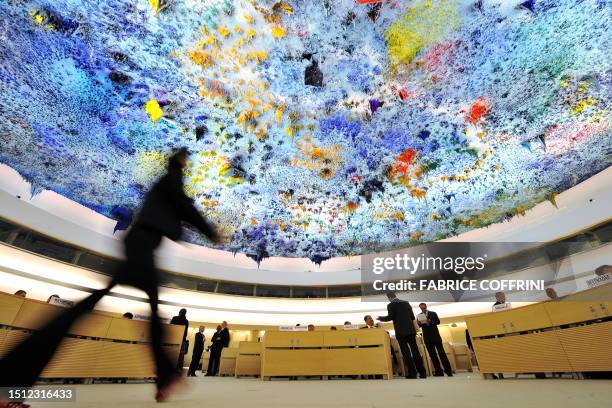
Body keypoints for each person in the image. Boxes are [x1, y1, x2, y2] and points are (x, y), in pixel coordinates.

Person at [0, 147, 222, 405]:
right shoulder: (171, 177)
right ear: (179, 161)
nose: (186, 163)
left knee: (113, 306)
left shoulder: (165, 182)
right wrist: (209, 231)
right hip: (142, 244)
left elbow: (178, 205)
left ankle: (10, 381)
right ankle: (8, 383)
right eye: (184, 160)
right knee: (144, 309)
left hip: (140, 244)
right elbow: (182, 203)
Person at [377, 292, 426, 379]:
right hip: (411, 331)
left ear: (389, 297)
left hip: (401, 333)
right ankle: (422, 373)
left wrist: (380, 318)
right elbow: (412, 317)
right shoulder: (406, 303)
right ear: (395, 296)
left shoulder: (391, 305)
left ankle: (412, 373)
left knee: (406, 353)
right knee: (415, 351)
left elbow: (390, 317)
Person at [417, 303, 453, 377]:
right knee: (432, 355)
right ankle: (439, 372)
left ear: (426, 307)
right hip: (427, 338)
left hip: (436, 337)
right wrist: (419, 323)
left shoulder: (433, 313)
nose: (422, 309)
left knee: (442, 354)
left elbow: (438, 322)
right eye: (421, 308)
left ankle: (449, 371)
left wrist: (430, 321)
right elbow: (419, 326)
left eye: (423, 308)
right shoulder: (419, 315)